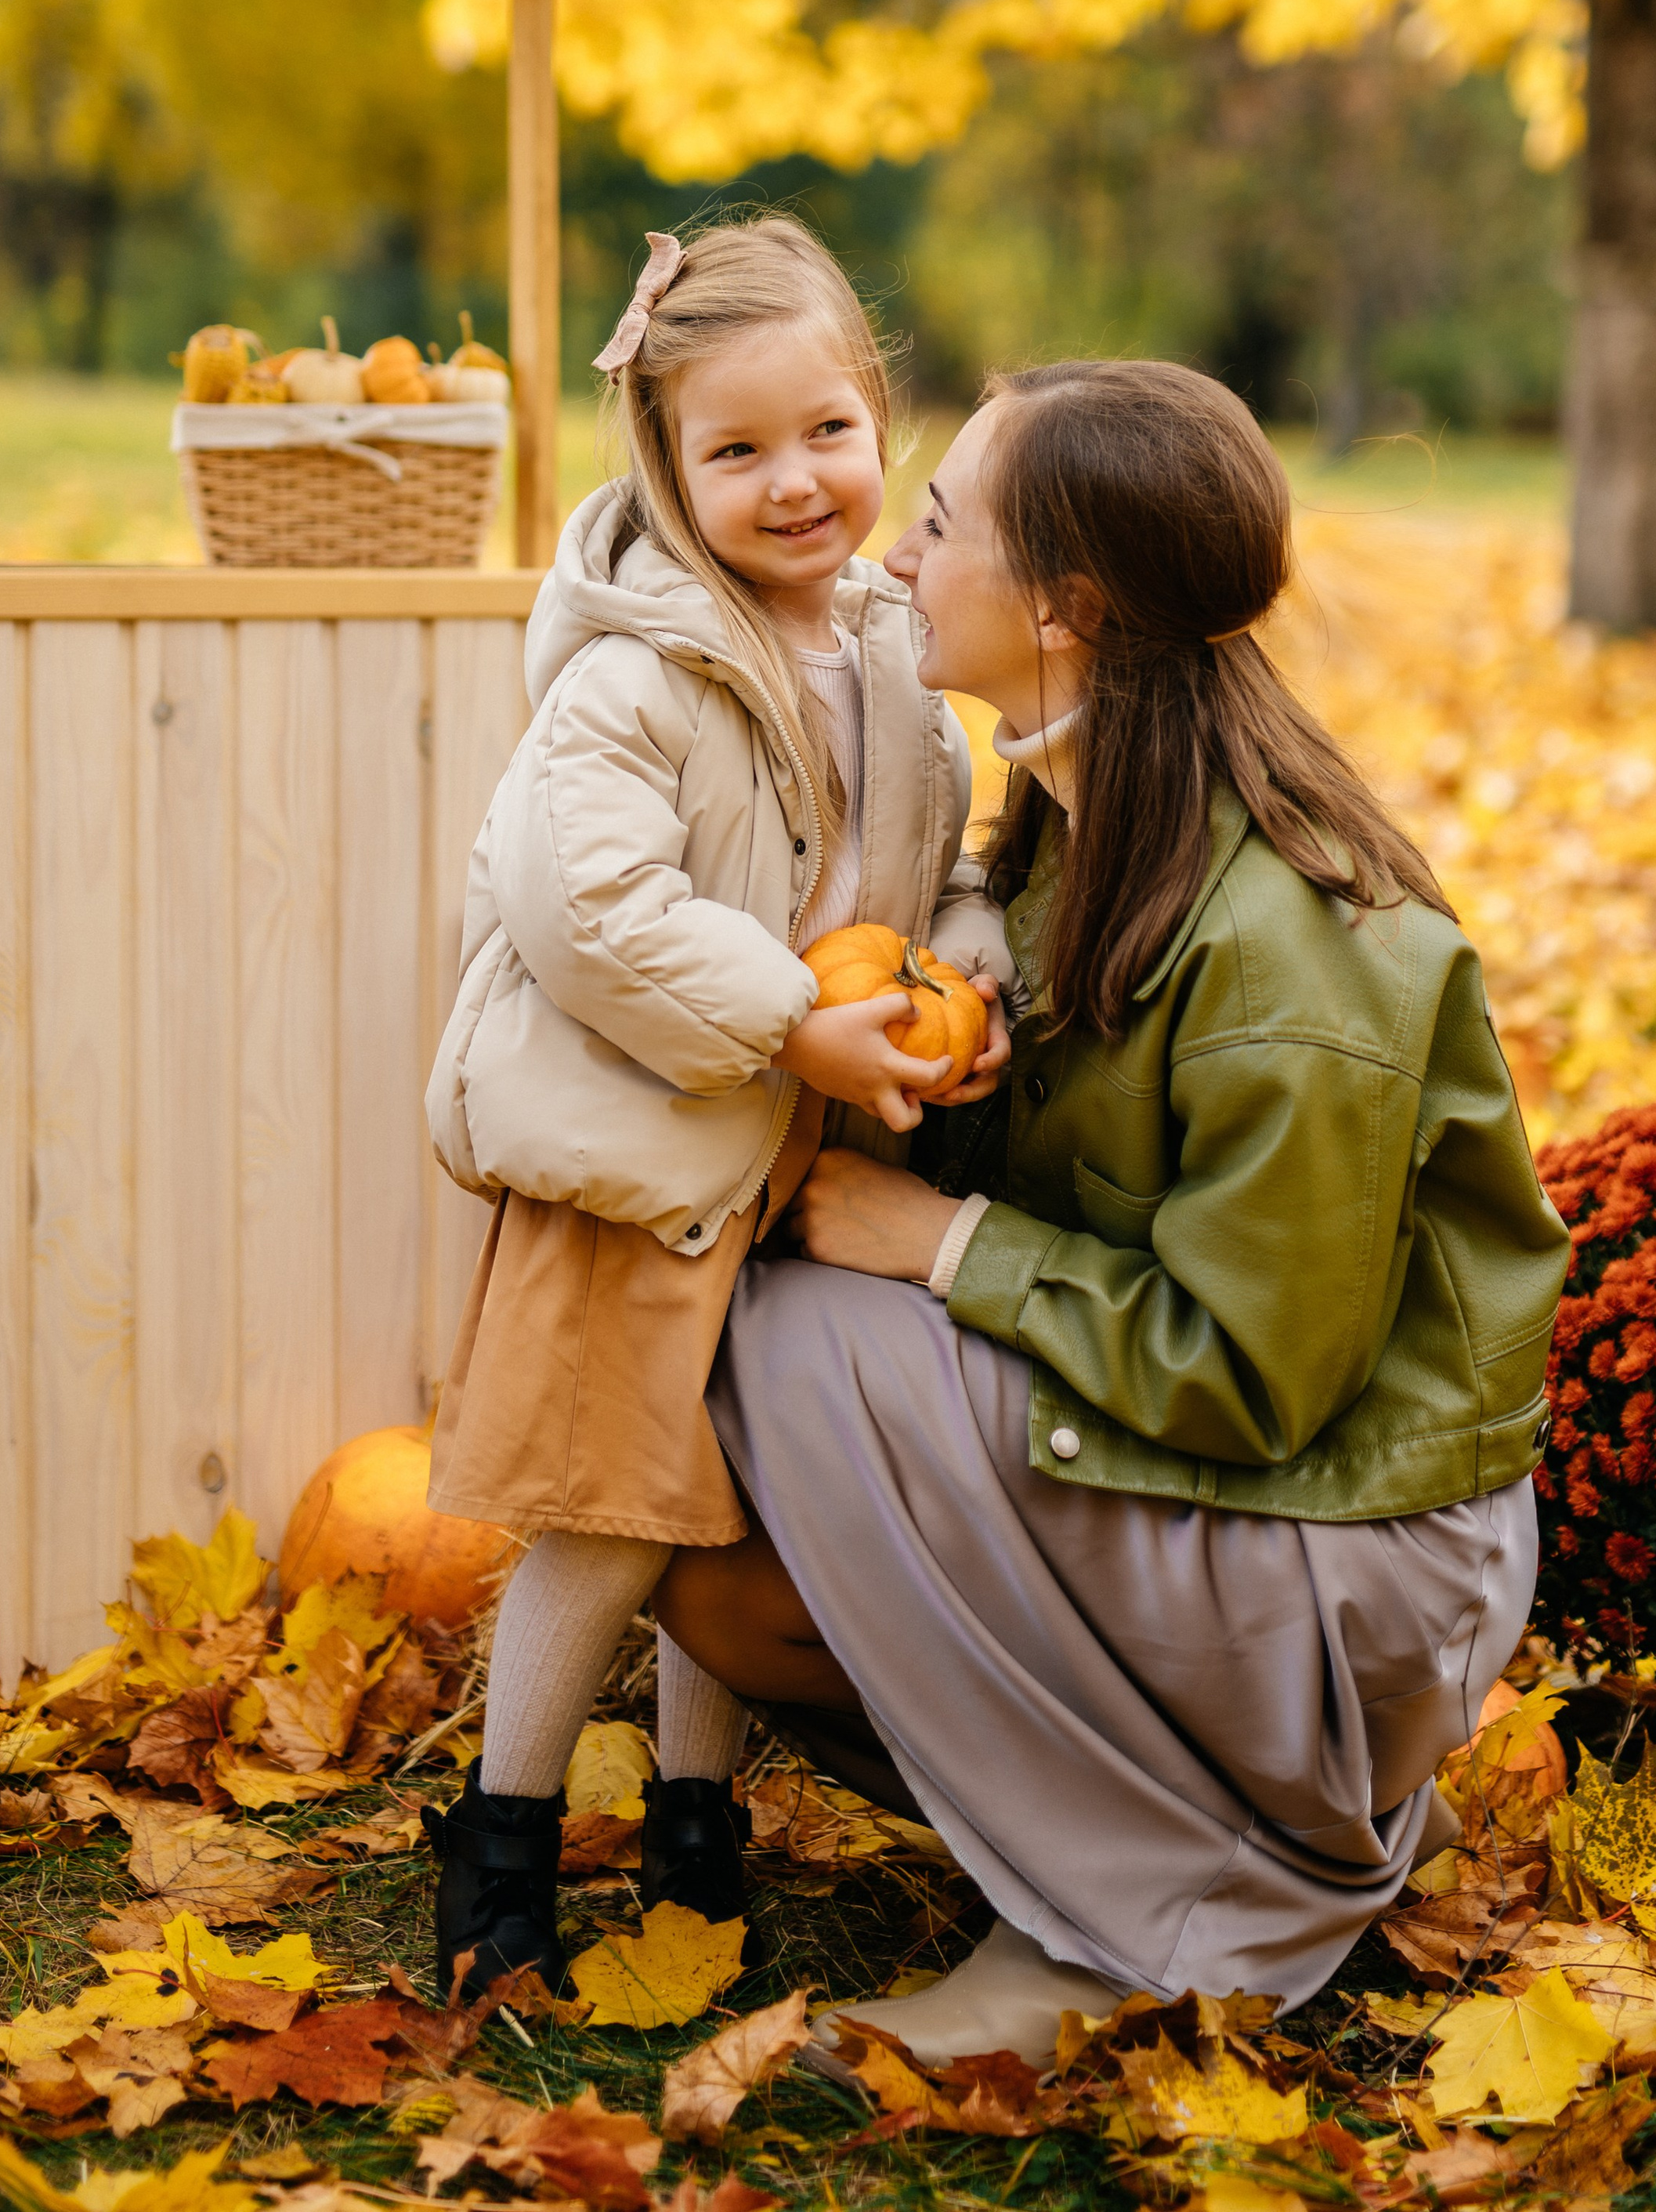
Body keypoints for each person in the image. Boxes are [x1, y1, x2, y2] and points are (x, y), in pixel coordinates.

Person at [655, 359, 1571, 2058]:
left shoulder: (1290, 941)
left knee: (785, 1331)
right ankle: (1276, 1835)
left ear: (1065, 603)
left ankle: (1139, 1913)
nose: (894, 557)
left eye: (938, 526)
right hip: (1267, 1491)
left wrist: (929, 1236)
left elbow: (1250, 1374)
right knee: (727, 1589)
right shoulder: (1079, 827)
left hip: (1354, 1549)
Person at [420, 220, 1011, 1999]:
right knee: (613, 1507)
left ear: (878, 414)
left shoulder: (900, 655)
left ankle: (698, 1811)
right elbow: (587, 908)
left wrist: (963, 975)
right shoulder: (634, 673)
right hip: (648, 1152)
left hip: (804, 1147)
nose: (793, 481)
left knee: (746, 1500)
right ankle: (501, 1831)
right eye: (732, 450)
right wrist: (785, 1023)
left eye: (824, 431)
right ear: (668, 472)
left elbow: (942, 864)